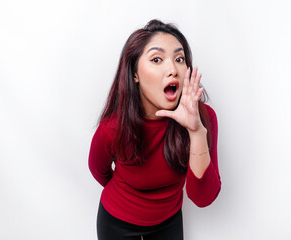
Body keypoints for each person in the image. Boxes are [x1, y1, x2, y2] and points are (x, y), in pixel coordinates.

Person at [88, 19, 221, 240]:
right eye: (157, 59)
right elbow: (98, 170)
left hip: (169, 222)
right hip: (116, 221)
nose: (172, 69)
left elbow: (203, 198)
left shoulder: (204, 119)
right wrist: (133, 199)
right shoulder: (112, 127)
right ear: (135, 74)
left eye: (179, 59)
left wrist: (196, 132)